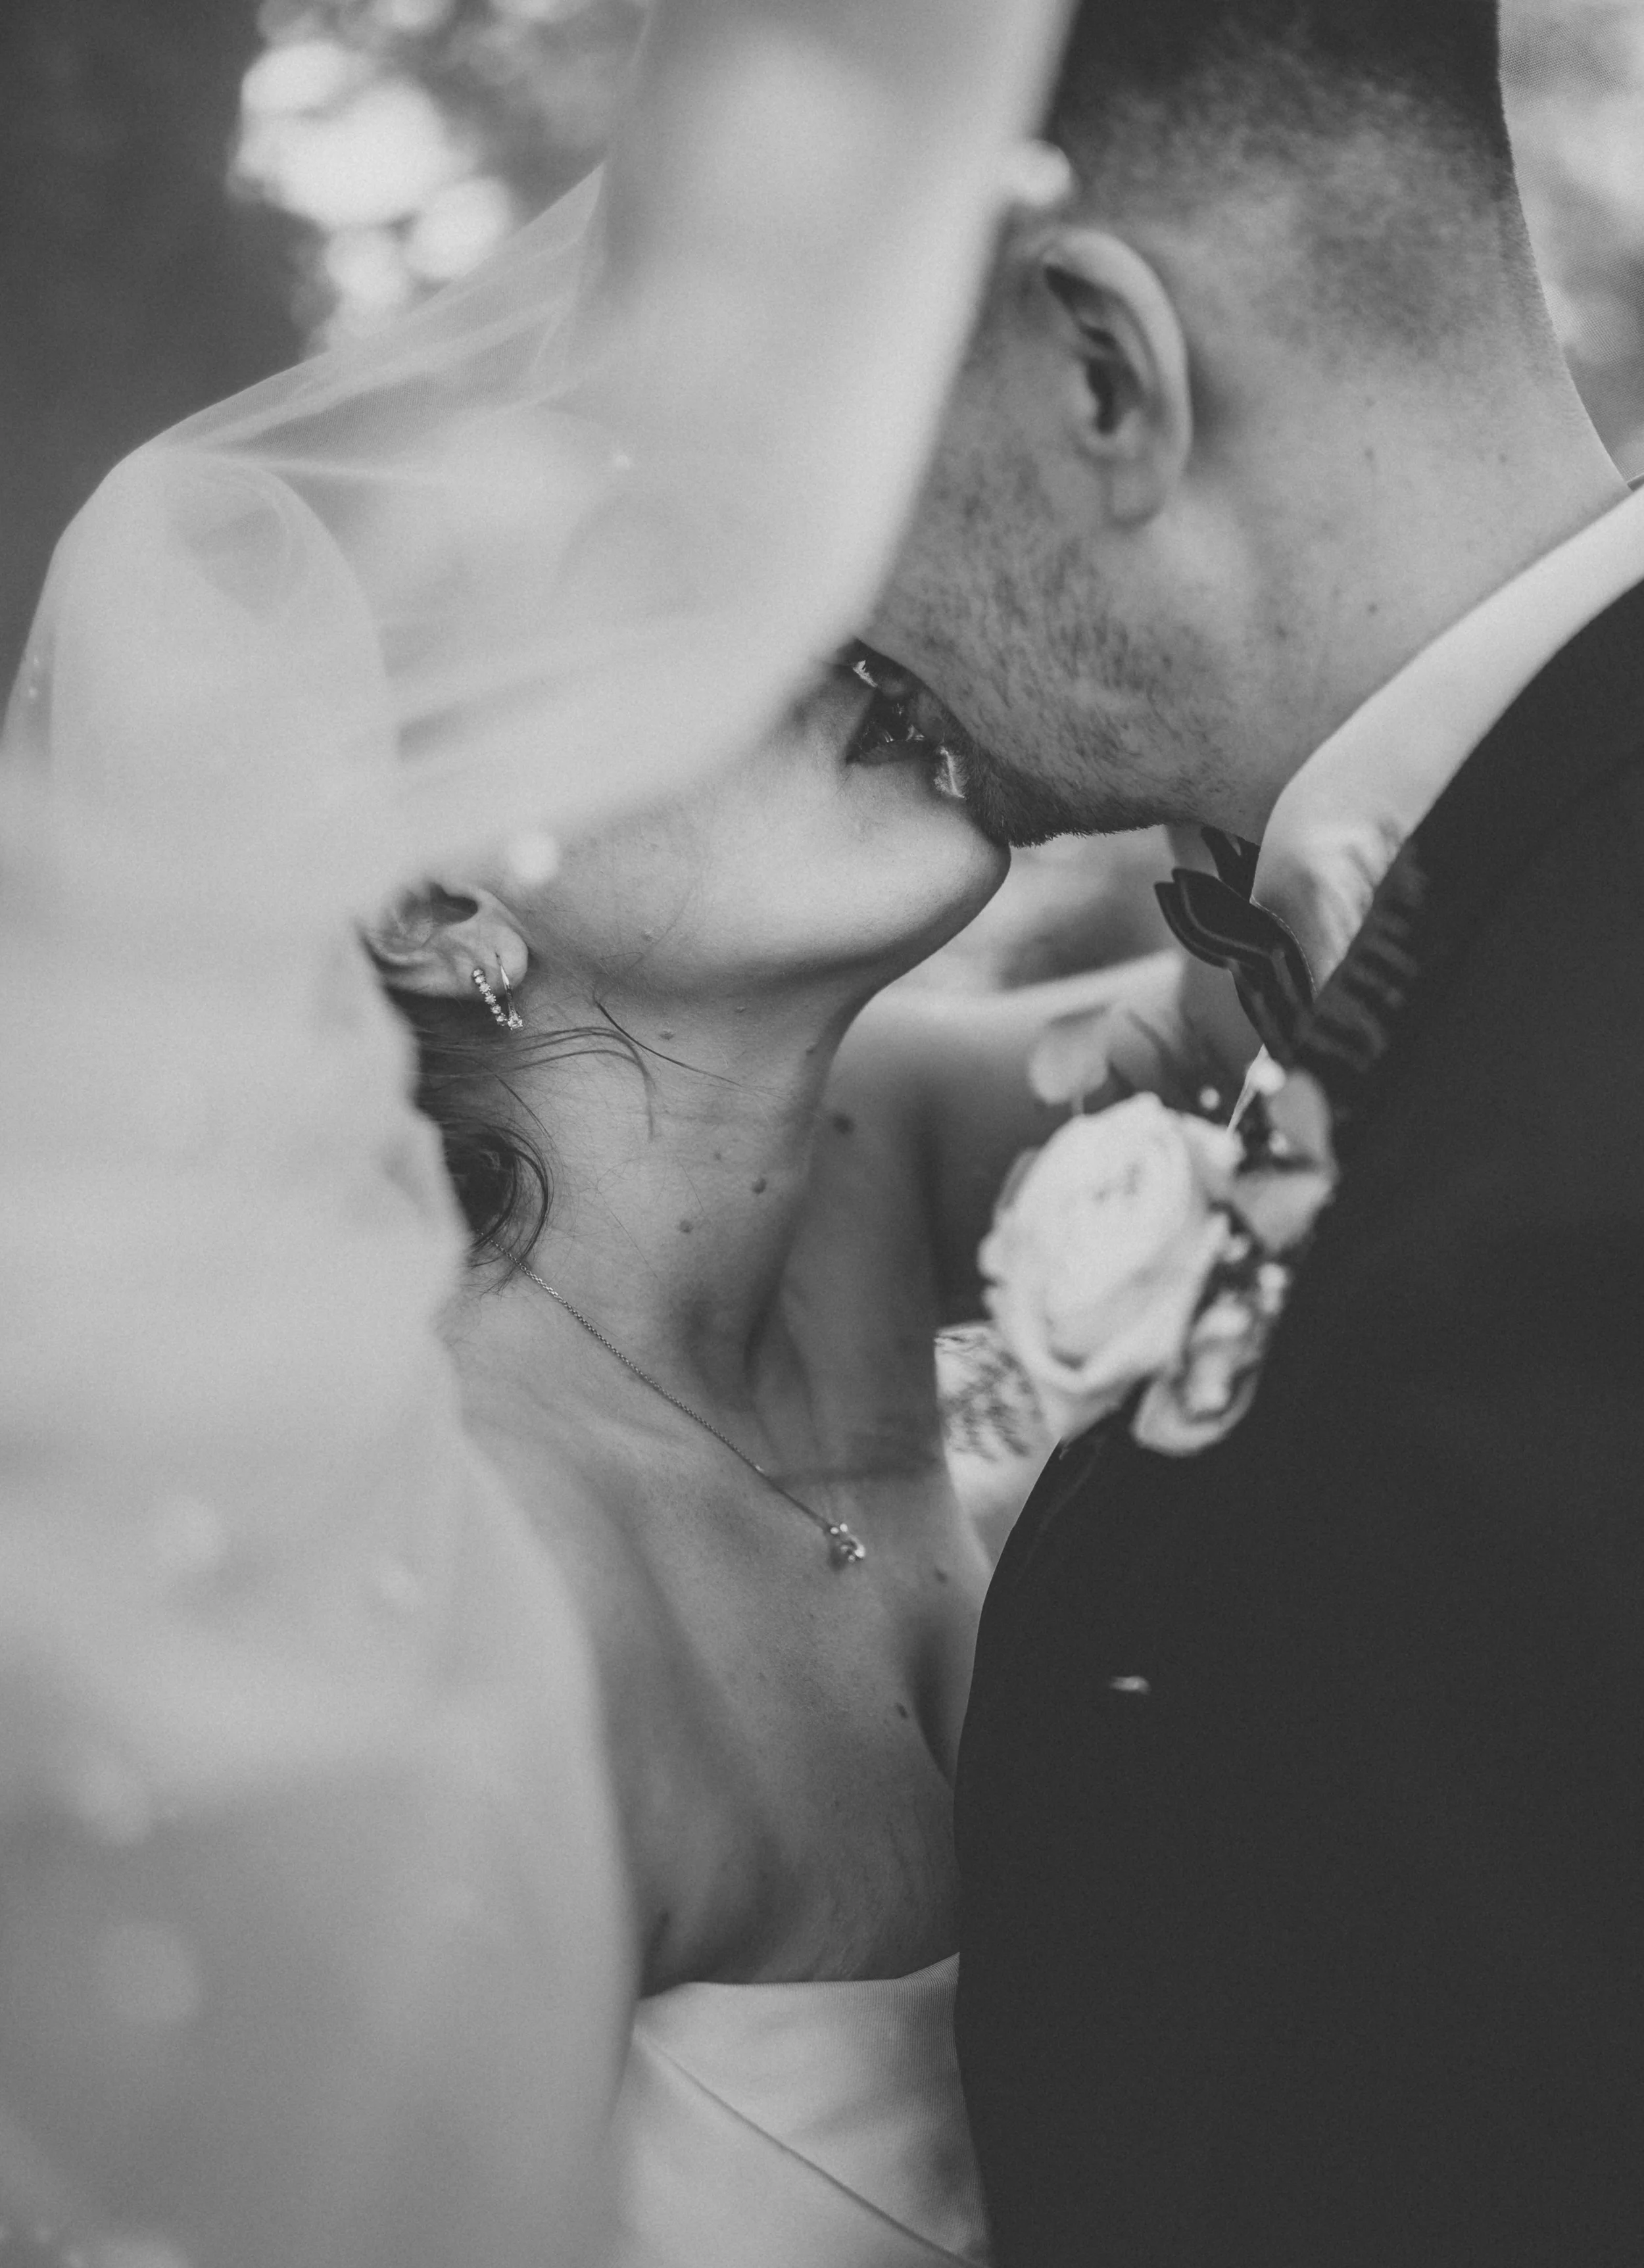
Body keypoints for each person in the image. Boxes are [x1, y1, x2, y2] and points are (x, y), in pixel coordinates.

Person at [866, 1, 1644, 2261]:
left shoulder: (1534, 1240)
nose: (804, 579)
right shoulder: (1481, 953)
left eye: (814, 445)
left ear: (1100, 369)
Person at [368, 648, 1249, 2266]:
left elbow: (1333, 991)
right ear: (441, 903)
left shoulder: (865, 1142)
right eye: (680, 607)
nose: (828, 633)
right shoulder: (457, 1605)